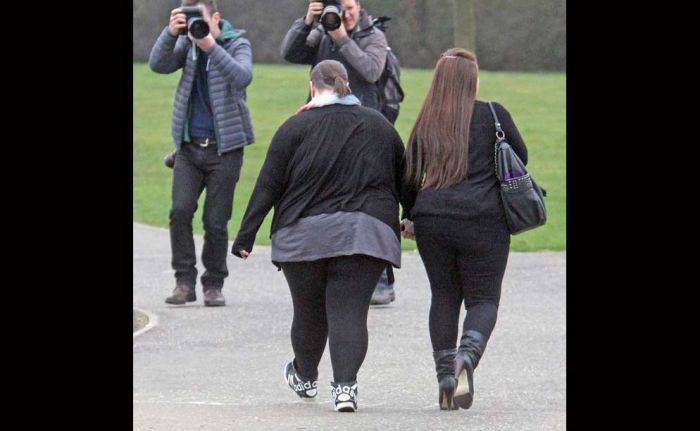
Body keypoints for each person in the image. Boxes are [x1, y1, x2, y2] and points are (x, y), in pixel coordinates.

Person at [231, 60, 407, 412]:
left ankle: (305, 375)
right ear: (347, 87)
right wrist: (413, 216)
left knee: (309, 312)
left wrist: (246, 236)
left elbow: (268, 184)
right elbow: (404, 178)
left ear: (313, 88)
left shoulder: (294, 127)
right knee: (350, 312)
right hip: (365, 234)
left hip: (303, 235)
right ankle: (345, 389)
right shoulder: (379, 125)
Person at [401, 48, 529, 411]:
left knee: (443, 297)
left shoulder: (427, 120)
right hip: (484, 220)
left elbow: (409, 174)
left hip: (433, 222)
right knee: (483, 299)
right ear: (471, 80)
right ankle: (466, 359)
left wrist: (409, 215)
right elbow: (520, 156)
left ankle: (445, 374)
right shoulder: (493, 114)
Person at [281, 0, 397, 305]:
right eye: (339, 7)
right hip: (323, 133)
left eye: (348, 7)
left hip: (363, 134)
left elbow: (371, 71)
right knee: (324, 202)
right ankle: (329, 272)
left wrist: (341, 38)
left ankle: (382, 280)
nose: (343, 14)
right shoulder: (320, 34)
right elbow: (290, 53)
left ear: (358, 7)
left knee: (369, 204)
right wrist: (307, 21)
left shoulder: (373, 37)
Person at [149, 0, 254, 307]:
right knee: (179, 212)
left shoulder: (237, 43)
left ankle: (213, 284)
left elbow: (242, 76)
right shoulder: (187, 44)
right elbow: (158, 64)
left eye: (200, 18)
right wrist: (171, 33)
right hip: (189, 147)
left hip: (226, 149)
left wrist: (210, 45)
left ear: (216, 17)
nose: (195, 24)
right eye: (189, 18)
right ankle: (184, 281)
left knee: (216, 221)